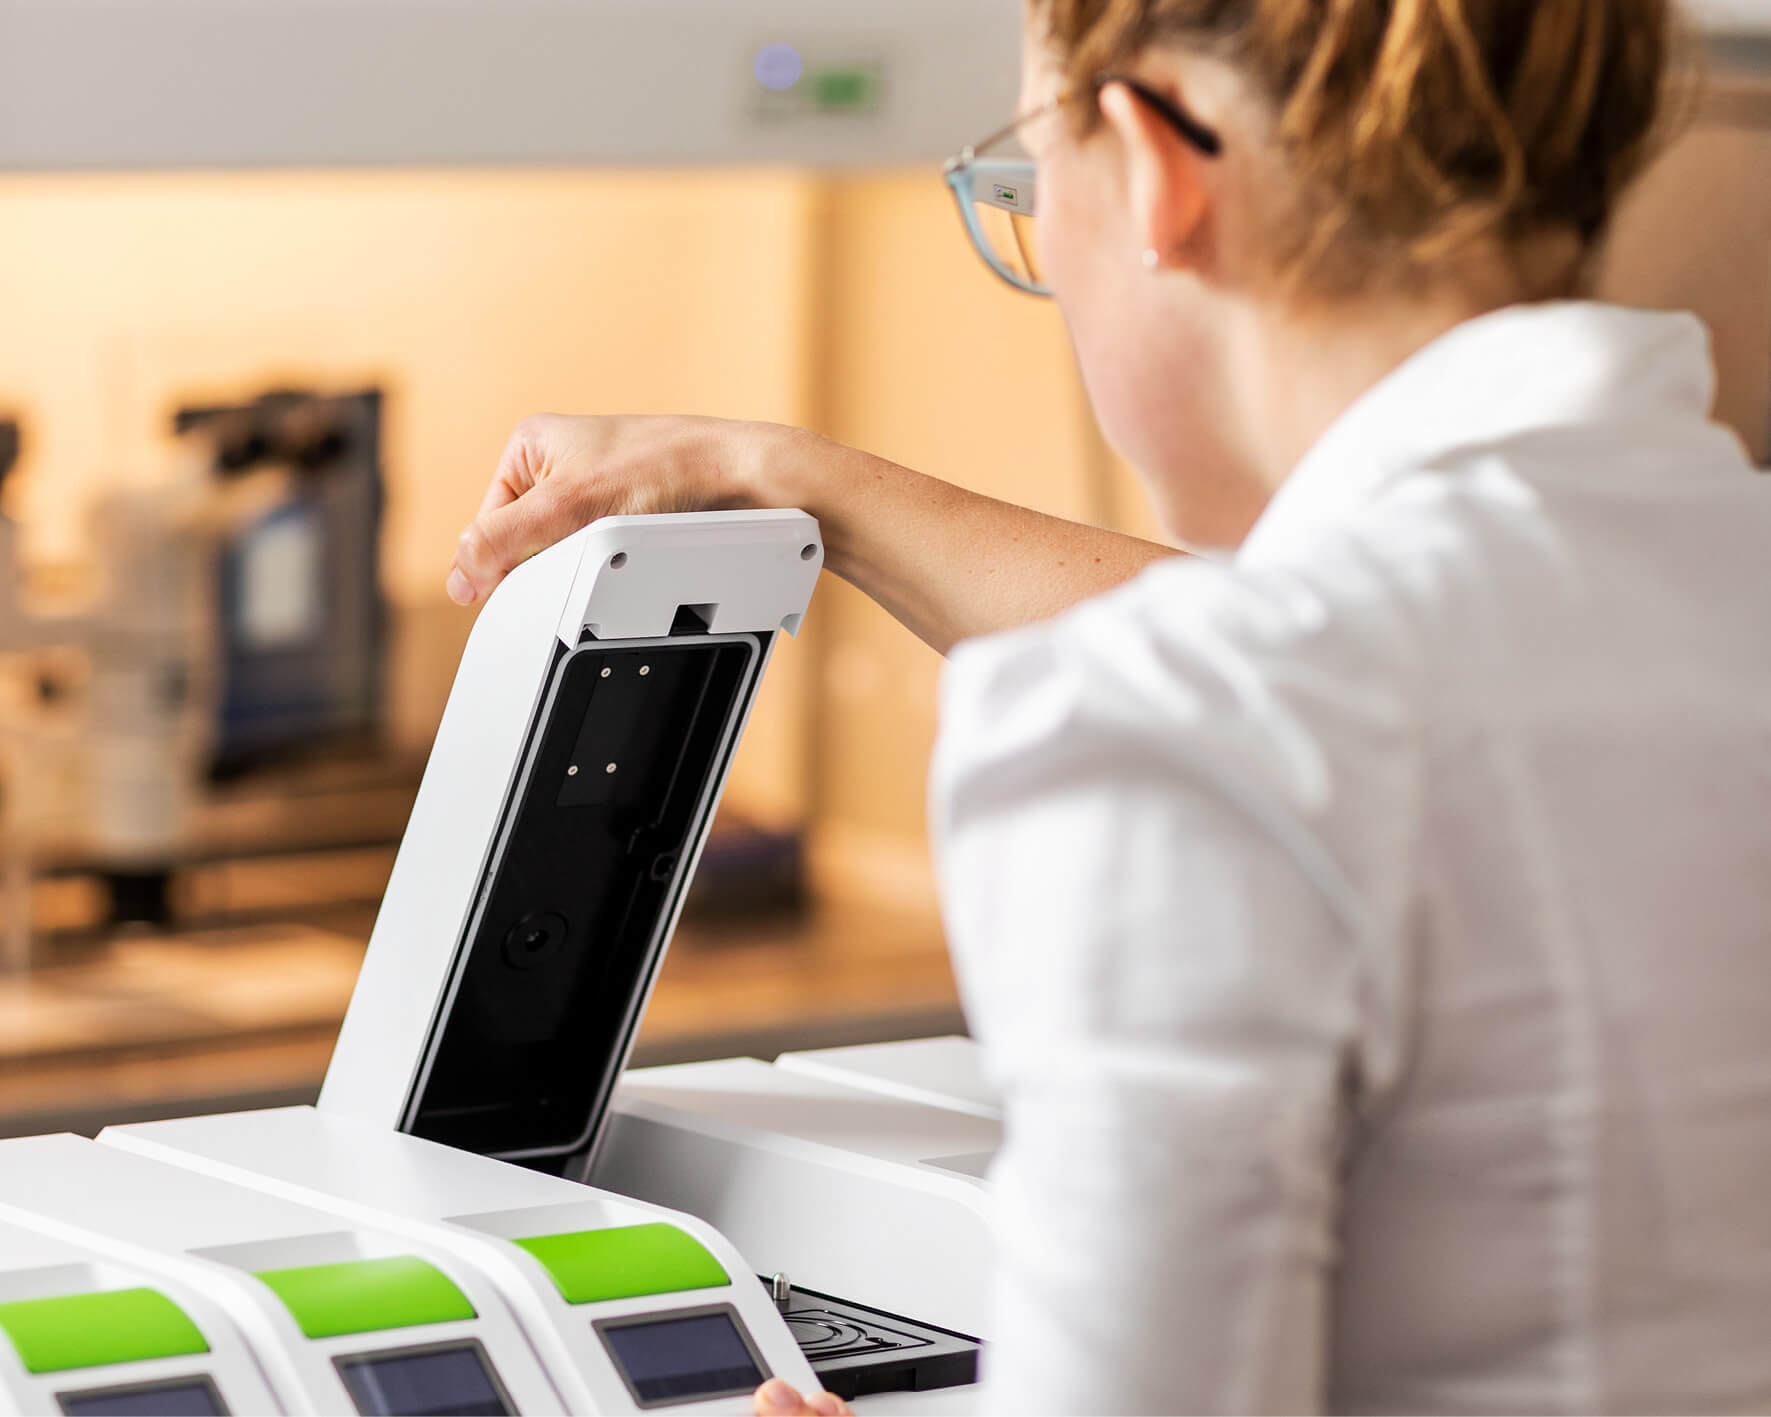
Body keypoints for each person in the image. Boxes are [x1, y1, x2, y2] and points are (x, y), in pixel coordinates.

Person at [448, 0, 1771, 1410]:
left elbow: (1284, 701)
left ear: (1159, 167)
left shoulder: (1179, 727)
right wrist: (787, 472)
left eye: (1025, 183)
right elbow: (1416, 654)